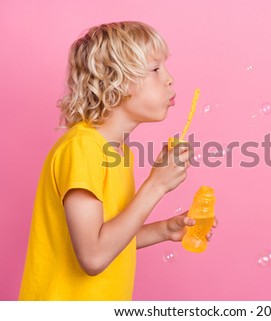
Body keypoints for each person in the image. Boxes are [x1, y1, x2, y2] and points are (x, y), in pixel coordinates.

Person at [19, 21, 216, 300]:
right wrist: (156, 186)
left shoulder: (119, 152)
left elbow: (108, 239)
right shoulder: (82, 148)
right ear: (116, 81)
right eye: (155, 69)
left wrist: (164, 230)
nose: (170, 78)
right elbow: (94, 256)